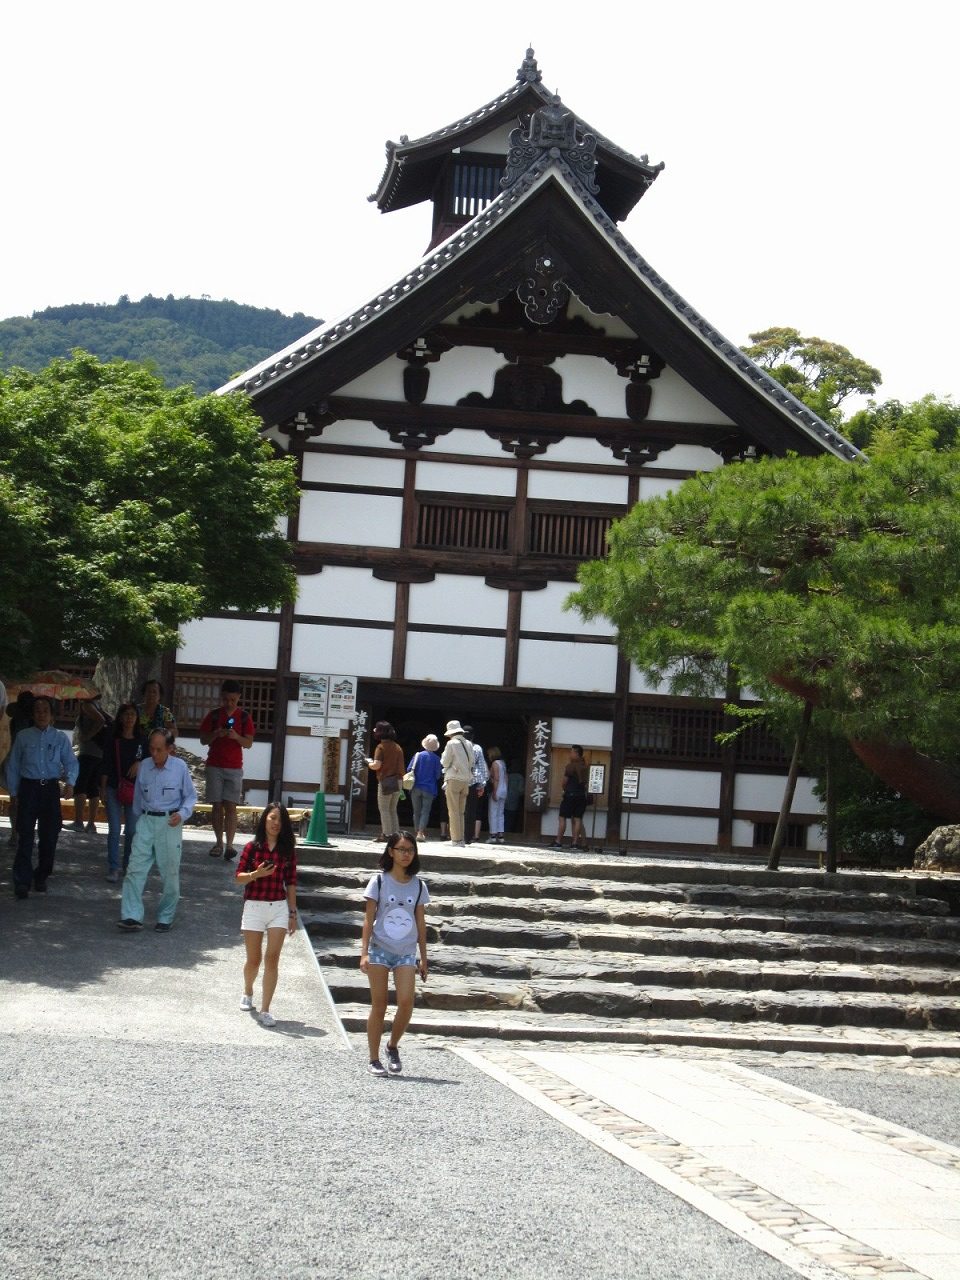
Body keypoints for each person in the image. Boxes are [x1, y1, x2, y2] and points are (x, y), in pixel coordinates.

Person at [360, 832, 429, 1076]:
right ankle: (373, 1057)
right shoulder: (378, 881)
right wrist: (364, 952)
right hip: (380, 948)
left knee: (406, 1002)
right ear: (391, 851)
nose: (406, 854)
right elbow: (369, 918)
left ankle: (392, 1045)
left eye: (410, 849)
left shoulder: (419, 885)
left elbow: (420, 922)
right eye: (401, 849)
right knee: (379, 1005)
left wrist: (424, 957)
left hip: (406, 951)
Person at [118, 729, 197, 931]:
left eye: (159, 750)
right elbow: (137, 798)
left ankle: (165, 916)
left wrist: (182, 814)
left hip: (169, 822)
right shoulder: (144, 766)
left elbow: (190, 796)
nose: (154, 753)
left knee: (170, 872)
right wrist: (136, 821)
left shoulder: (180, 768)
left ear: (170, 749)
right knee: (134, 868)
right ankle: (131, 915)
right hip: (145, 821)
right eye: (151, 749)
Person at [6, 696, 79, 898]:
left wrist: (71, 782)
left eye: (45, 710)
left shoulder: (59, 738)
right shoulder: (23, 737)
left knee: (49, 837)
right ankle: (22, 880)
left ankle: (41, 876)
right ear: (33, 714)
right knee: (25, 837)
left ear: (52, 715)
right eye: (38, 710)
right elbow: (13, 766)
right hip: (28, 789)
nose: (41, 714)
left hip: (50, 790)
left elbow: (71, 763)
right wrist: (14, 793)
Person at [235, 802, 298, 1028]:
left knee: (272, 958)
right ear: (264, 819)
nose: (275, 823)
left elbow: (290, 883)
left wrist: (292, 913)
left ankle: (266, 1009)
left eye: (280, 820)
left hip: (278, 907)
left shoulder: (287, 851)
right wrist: (256, 873)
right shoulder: (252, 848)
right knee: (254, 959)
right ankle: (248, 990)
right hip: (254, 905)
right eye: (272, 818)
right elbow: (238, 877)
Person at [199, 679, 255, 860]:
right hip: (214, 764)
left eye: (233, 699)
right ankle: (218, 843)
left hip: (234, 766)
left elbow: (248, 743)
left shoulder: (245, 717)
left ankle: (230, 845)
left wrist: (236, 736)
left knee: (231, 806)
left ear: (238, 697)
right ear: (221, 697)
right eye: (226, 699)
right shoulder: (214, 715)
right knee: (216, 805)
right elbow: (203, 740)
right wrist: (216, 733)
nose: (229, 703)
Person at [99, 702, 146, 882]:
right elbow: (105, 764)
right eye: (126, 714)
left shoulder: (142, 740)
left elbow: (150, 763)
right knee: (114, 829)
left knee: (133, 830)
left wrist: (139, 763)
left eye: (133, 714)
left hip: (135, 790)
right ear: (120, 717)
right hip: (113, 786)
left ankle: (128, 865)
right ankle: (113, 867)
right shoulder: (113, 739)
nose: (129, 718)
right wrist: (102, 787)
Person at [71, 698, 109, 833]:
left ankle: (79, 821)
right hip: (99, 754)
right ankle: (91, 824)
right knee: (93, 788)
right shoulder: (97, 705)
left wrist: (87, 736)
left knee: (80, 786)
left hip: (88, 752)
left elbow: (101, 720)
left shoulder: (87, 705)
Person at [6, 690, 35, 848]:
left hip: (16, 761)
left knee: (15, 800)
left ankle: (14, 834)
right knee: (24, 801)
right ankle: (19, 833)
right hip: (25, 762)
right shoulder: (30, 721)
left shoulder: (18, 718)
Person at [367, 720, 404, 840]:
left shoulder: (381, 747)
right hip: (398, 780)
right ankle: (396, 834)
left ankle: (386, 834)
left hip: (386, 780)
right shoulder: (397, 747)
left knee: (384, 809)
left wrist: (368, 763)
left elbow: (377, 765)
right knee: (393, 809)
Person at [440, 720, 473, 847]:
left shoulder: (451, 743)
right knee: (461, 811)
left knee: (453, 810)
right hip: (465, 780)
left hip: (453, 778)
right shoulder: (469, 744)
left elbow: (444, 762)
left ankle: (456, 839)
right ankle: (461, 839)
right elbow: (472, 761)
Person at [406, 733, 442, 841]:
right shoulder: (437, 759)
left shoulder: (418, 755)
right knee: (425, 811)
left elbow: (409, 769)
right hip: (429, 789)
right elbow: (437, 776)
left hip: (416, 787)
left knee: (416, 811)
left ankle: (417, 831)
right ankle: (421, 833)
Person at [553, 744, 589, 850]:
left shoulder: (570, 766)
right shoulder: (585, 766)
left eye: (572, 752)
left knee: (562, 817)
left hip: (570, 795)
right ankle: (574, 843)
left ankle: (558, 841)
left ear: (577, 753)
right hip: (581, 796)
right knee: (577, 819)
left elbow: (564, 782)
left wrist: (564, 789)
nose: (570, 754)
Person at [461, 724, 489, 844]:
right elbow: (481, 767)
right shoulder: (477, 748)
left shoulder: (457, 746)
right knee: (471, 810)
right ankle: (467, 837)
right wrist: (482, 784)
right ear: (473, 736)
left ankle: (455, 835)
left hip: (458, 779)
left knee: (456, 809)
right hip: (472, 781)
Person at [485, 745, 508, 844]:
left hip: (497, 789)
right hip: (504, 790)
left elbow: (496, 778)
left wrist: (494, 791)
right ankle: (501, 836)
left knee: (493, 813)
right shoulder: (503, 763)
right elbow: (506, 777)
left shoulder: (495, 763)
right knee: (500, 813)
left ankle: (493, 836)